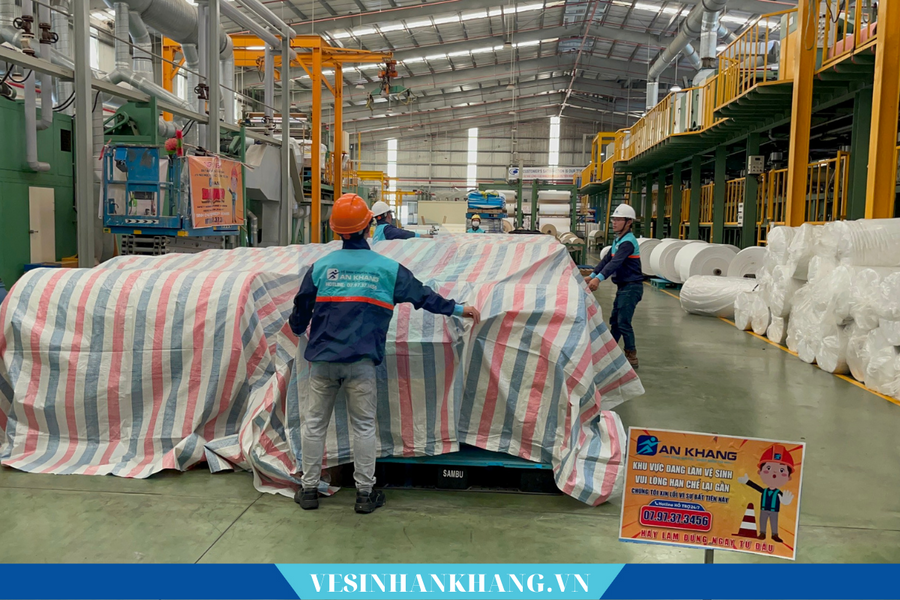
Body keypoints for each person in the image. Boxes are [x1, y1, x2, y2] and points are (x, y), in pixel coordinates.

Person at [289, 193, 481, 514]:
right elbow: (423, 296)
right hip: (361, 361)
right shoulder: (388, 269)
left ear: (336, 230)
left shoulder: (320, 267)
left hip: (322, 360)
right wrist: (459, 309)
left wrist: (297, 328)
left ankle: (308, 490)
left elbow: (301, 308)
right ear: (369, 227)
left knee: (314, 424)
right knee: (364, 426)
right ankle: (365, 494)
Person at [585, 203, 643, 369]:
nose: (614, 222)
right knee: (615, 321)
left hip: (632, 287)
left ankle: (631, 354)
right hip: (624, 287)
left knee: (623, 321)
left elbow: (616, 263)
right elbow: (607, 260)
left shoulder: (628, 243)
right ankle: (610, 352)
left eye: (618, 219)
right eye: (613, 219)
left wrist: (599, 279)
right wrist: (592, 275)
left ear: (628, 222)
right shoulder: (619, 241)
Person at [738, 444, 796, 544]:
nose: (774, 473)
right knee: (763, 521)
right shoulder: (764, 490)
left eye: (781, 470)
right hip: (763, 509)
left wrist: (785, 501)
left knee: (774, 522)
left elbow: (783, 498)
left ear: (788, 477)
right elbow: (756, 487)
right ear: (759, 472)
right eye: (768, 468)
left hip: (774, 511)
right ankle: (762, 533)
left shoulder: (778, 492)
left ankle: (774, 534)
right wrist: (747, 481)